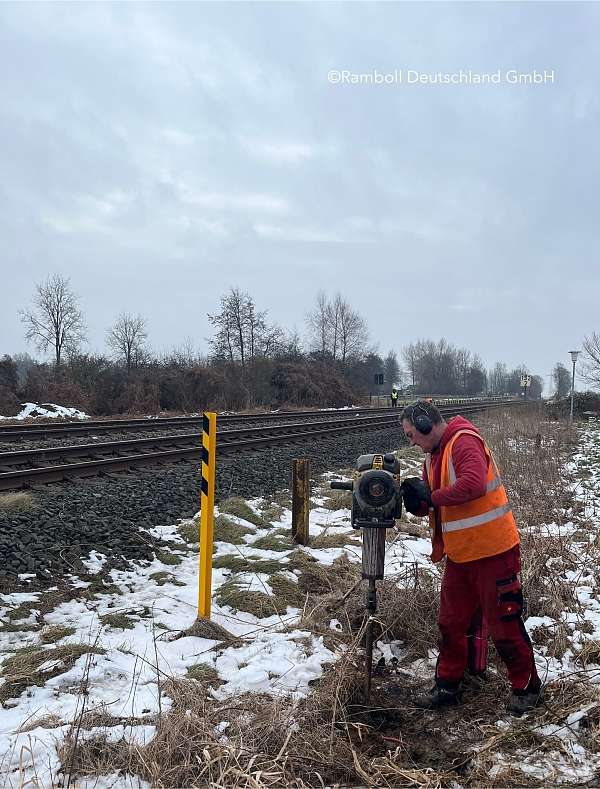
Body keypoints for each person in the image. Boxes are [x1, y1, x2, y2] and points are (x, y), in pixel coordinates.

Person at [399, 400, 541, 715]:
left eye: (412, 434)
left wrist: (432, 497)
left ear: (426, 424)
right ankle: (448, 684)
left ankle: (526, 688)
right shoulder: (433, 456)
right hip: (461, 554)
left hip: (493, 550)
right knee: (450, 623)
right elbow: (437, 502)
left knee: (504, 622)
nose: (411, 441)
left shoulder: (463, 441)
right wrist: (416, 502)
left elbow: (474, 484)